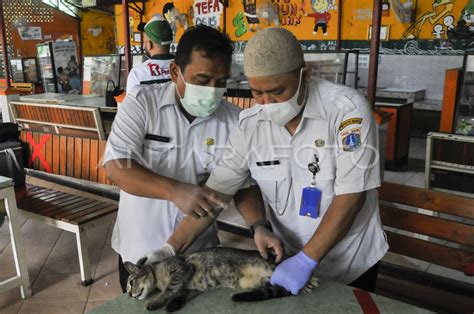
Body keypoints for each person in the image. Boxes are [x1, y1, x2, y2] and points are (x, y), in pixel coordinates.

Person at [147, 27, 388, 294]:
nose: (267, 102)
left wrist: (307, 259)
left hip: (351, 262)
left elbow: (352, 196)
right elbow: (216, 194)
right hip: (286, 259)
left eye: (277, 91)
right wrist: (169, 248)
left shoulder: (346, 111)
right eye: (257, 92)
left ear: (304, 75)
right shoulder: (251, 125)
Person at [103, 25, 248, 293]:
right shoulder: (142, 104)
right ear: (174, 72)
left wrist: (259, 225)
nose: (212, 91)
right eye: (203, 81)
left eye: (221, 82)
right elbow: (116, 167)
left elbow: (243, 184)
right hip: (140, 253)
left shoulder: (234, 121)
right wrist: (175, 191)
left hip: (199, 255)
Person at [126, 14, 175, 93]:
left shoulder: (138, 73)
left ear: (149, 45)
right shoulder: (182, 68)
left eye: (144, 41)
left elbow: (131, 104)